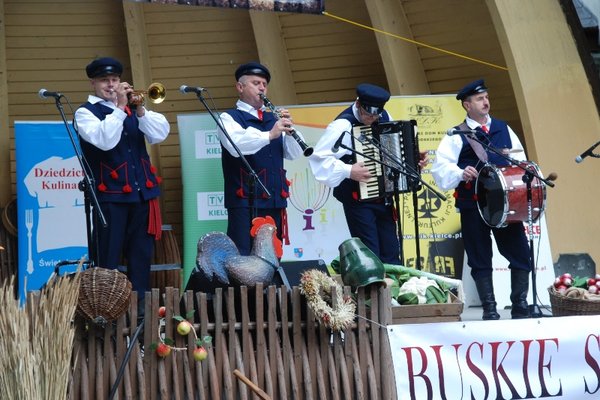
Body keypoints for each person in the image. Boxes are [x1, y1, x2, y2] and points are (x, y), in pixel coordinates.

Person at [74, 57, 170, 315]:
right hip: (111, 198)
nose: (112, 85)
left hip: (142, 196)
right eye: (105, 80)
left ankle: (139, 314)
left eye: (115, 80)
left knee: (141, 257)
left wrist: (140, 111)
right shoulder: (85, 113)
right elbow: (104, 140)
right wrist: (119, 108)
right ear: (93, 82)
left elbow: (159, 134)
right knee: (108, 257)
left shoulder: (131, 110)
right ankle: (105, 311)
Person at [431, 79, 531, 320]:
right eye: (479, 99)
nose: (485, 102)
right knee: (479, 257)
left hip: (506, 205)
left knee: (521, 253)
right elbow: (440, 168)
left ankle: (520, 305)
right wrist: (460, 173)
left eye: (486, 97)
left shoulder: (504, 128)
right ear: (467, 105)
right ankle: (489, 308)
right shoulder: (456, 135)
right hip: (473, 203)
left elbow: (521, 160)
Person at [309, 83, 426, 265]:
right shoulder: (342, 125)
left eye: (375, 115)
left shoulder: (384, 117)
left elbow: (392, 152)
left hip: (384, 199)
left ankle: (392, 292)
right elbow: (319, 160)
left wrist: (412, 159)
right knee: (370, 256)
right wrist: (348, 170)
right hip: (357, 201)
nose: (372, 119)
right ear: (358, 104)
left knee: (391, 253)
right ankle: (373, 293)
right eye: (368, 114)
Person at [218, 62, 305, 255]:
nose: (262, 88)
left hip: (274, 200)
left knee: (273, 255)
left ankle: (272, 287)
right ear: (240, 87)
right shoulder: (228, 118)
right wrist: (269, 135)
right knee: (244, 257)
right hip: (245, 201)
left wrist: (290, 132)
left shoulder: (272, 118)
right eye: (256, 83)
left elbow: (294, 154)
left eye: (264, 84)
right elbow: (236, 146)